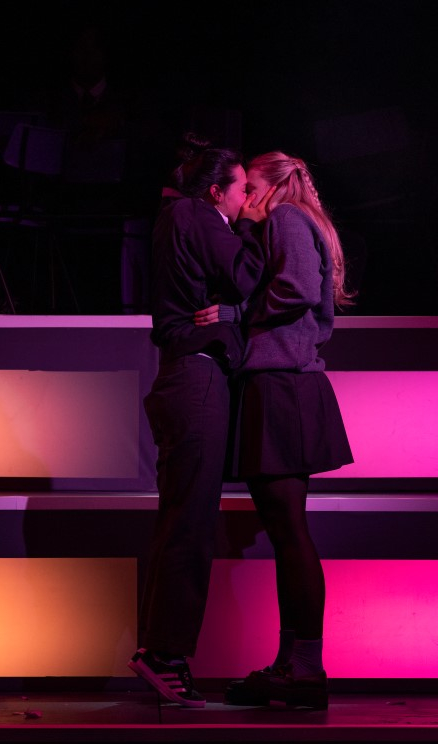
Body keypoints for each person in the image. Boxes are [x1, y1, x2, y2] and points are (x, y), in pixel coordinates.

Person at [215, 150, 356, 710]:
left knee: (290, 530)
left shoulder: (287, 219)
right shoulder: (289, 221)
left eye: (249, 186)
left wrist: (237, 317)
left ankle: (304, 668)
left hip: (282, 383)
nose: (242, 197)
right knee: (285, 529)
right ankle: (293, 663)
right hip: (280, 382)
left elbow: (295, 286)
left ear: (270, 187)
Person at [127, 137, 264, 707]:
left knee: (182, 516)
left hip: (187, 375)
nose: (248, 200)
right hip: (196, 378)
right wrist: (254, 228)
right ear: (217, 191)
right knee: (191, 521)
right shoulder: (199, 215)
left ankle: (161, 652)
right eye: (243, 190)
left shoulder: (175, 215)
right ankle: (165, 655)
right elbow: (250, 276)